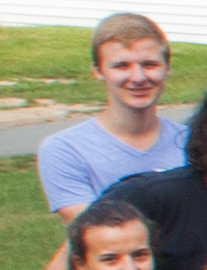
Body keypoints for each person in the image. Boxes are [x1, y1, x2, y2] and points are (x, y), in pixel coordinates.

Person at [40, 13, 189, 219]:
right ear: (98, 71)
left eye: (149, 65)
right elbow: (92, 233)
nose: (138, 78)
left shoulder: (193, 142)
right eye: (121, 66)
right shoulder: (65, 150)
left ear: (167, 68)